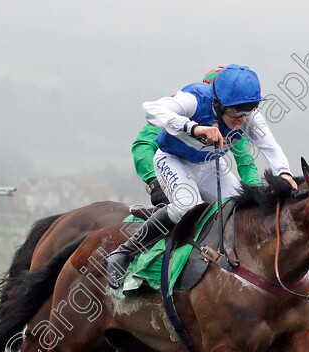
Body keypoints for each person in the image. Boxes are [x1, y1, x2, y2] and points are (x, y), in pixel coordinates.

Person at [107, 64, 295, 289]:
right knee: (189, 206)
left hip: (209, 166)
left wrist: (284, 173)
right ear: (217, 103)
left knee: (240, 207)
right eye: (235, 112)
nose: (241, 120)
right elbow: (151, 109)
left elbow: (269, 147)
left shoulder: (247, 115)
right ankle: (124, 252)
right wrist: (195, 128)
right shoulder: (194, 99)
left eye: (248, 111)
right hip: (172, 159)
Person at [132, 67, 261, 206]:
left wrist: (255, 189)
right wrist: (153, 182)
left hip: (209, 170)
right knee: (186, 209)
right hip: (173, 170)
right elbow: (143, 145)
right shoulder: (185, 110)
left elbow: (246, 161)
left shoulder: (233, 124)